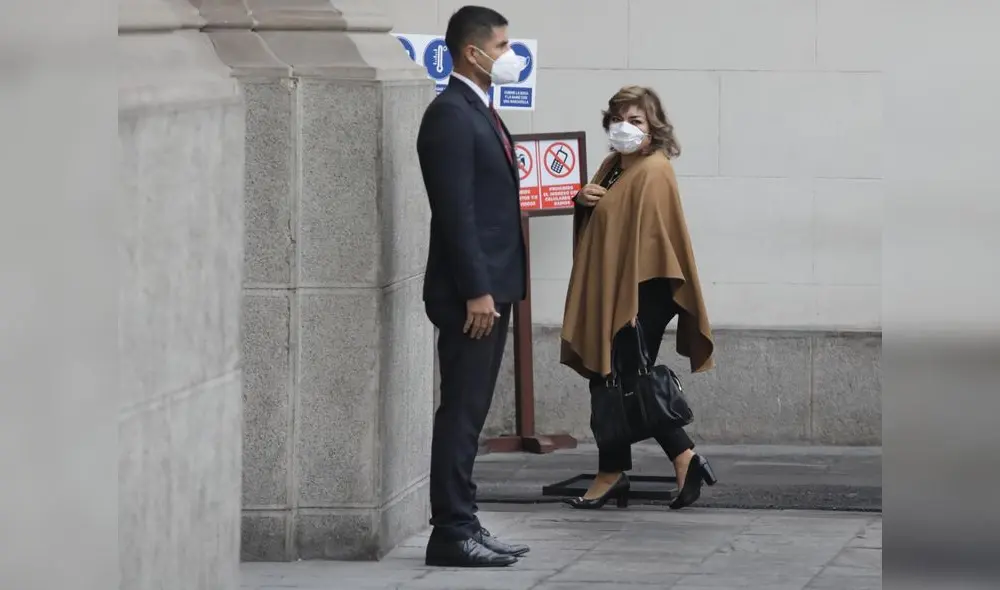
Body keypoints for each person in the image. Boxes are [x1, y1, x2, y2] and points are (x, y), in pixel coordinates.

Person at [560, 86, 718, 511]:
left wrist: (630, 309)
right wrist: (583, 201)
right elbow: (609, 230)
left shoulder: (654, 170)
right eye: (619, 119)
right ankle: (666, 462)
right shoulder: (613, 166)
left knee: (626, 376)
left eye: (637, 121)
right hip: (616, 288)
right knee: (611, 377)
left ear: (654, 128)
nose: (625, 128)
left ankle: (646, 465)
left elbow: (652, 245)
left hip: (643, 291)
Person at [416, 5, 531, 568]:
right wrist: (477, 291)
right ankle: (451, 530)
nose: (511, 56)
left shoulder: (479, 108)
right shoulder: (449, 115)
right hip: (473, 296)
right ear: (473, 50)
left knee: (472, 410)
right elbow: (456, 212)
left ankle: (466, 518)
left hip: (493, 287)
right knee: (460, 412)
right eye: (504, 46)